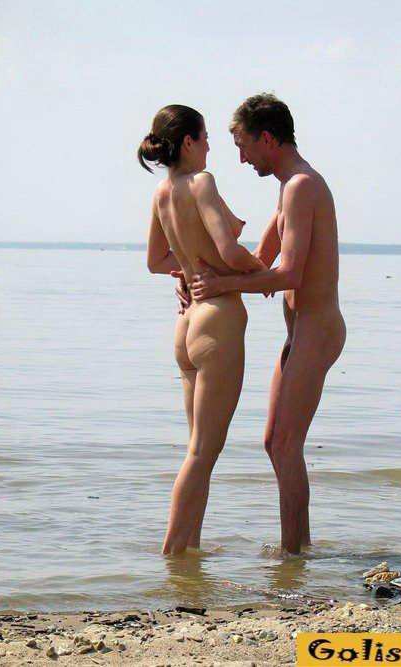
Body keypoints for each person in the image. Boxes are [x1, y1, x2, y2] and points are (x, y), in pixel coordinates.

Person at [177, 94, 346, 554]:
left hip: (318, 328)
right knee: (274, 441)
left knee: (285, 444)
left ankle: (295, 554)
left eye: (243, 145)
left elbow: (288, 275)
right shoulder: (288, 187)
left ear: (266, 139)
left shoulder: (302, 186)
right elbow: (259, 261)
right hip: (301, 330)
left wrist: (220, 285)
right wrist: (197, 278)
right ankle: (297, 551)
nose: (241, 158)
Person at [138, 104, 266, 555]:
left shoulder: (162, 191)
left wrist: (189, 269)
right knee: (202, 451)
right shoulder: (201, 182)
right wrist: (264, 273)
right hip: (217, 320)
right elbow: (230, 251)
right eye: (206, 137)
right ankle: (173, 554)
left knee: (199, 449)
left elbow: (156, 261)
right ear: (188, 141)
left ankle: (189, 553)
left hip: (187, 324)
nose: (211, 145)